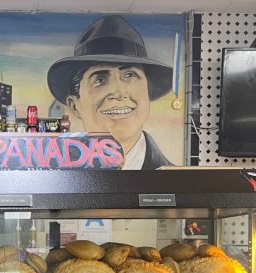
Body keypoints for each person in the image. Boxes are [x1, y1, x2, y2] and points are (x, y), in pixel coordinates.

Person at [47, 15, 174, 169]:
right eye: (100, 80)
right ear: (75, 106)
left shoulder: (176, 182)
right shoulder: (58, 176)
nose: (119, 93)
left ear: (147, 90)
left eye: (129, 75)